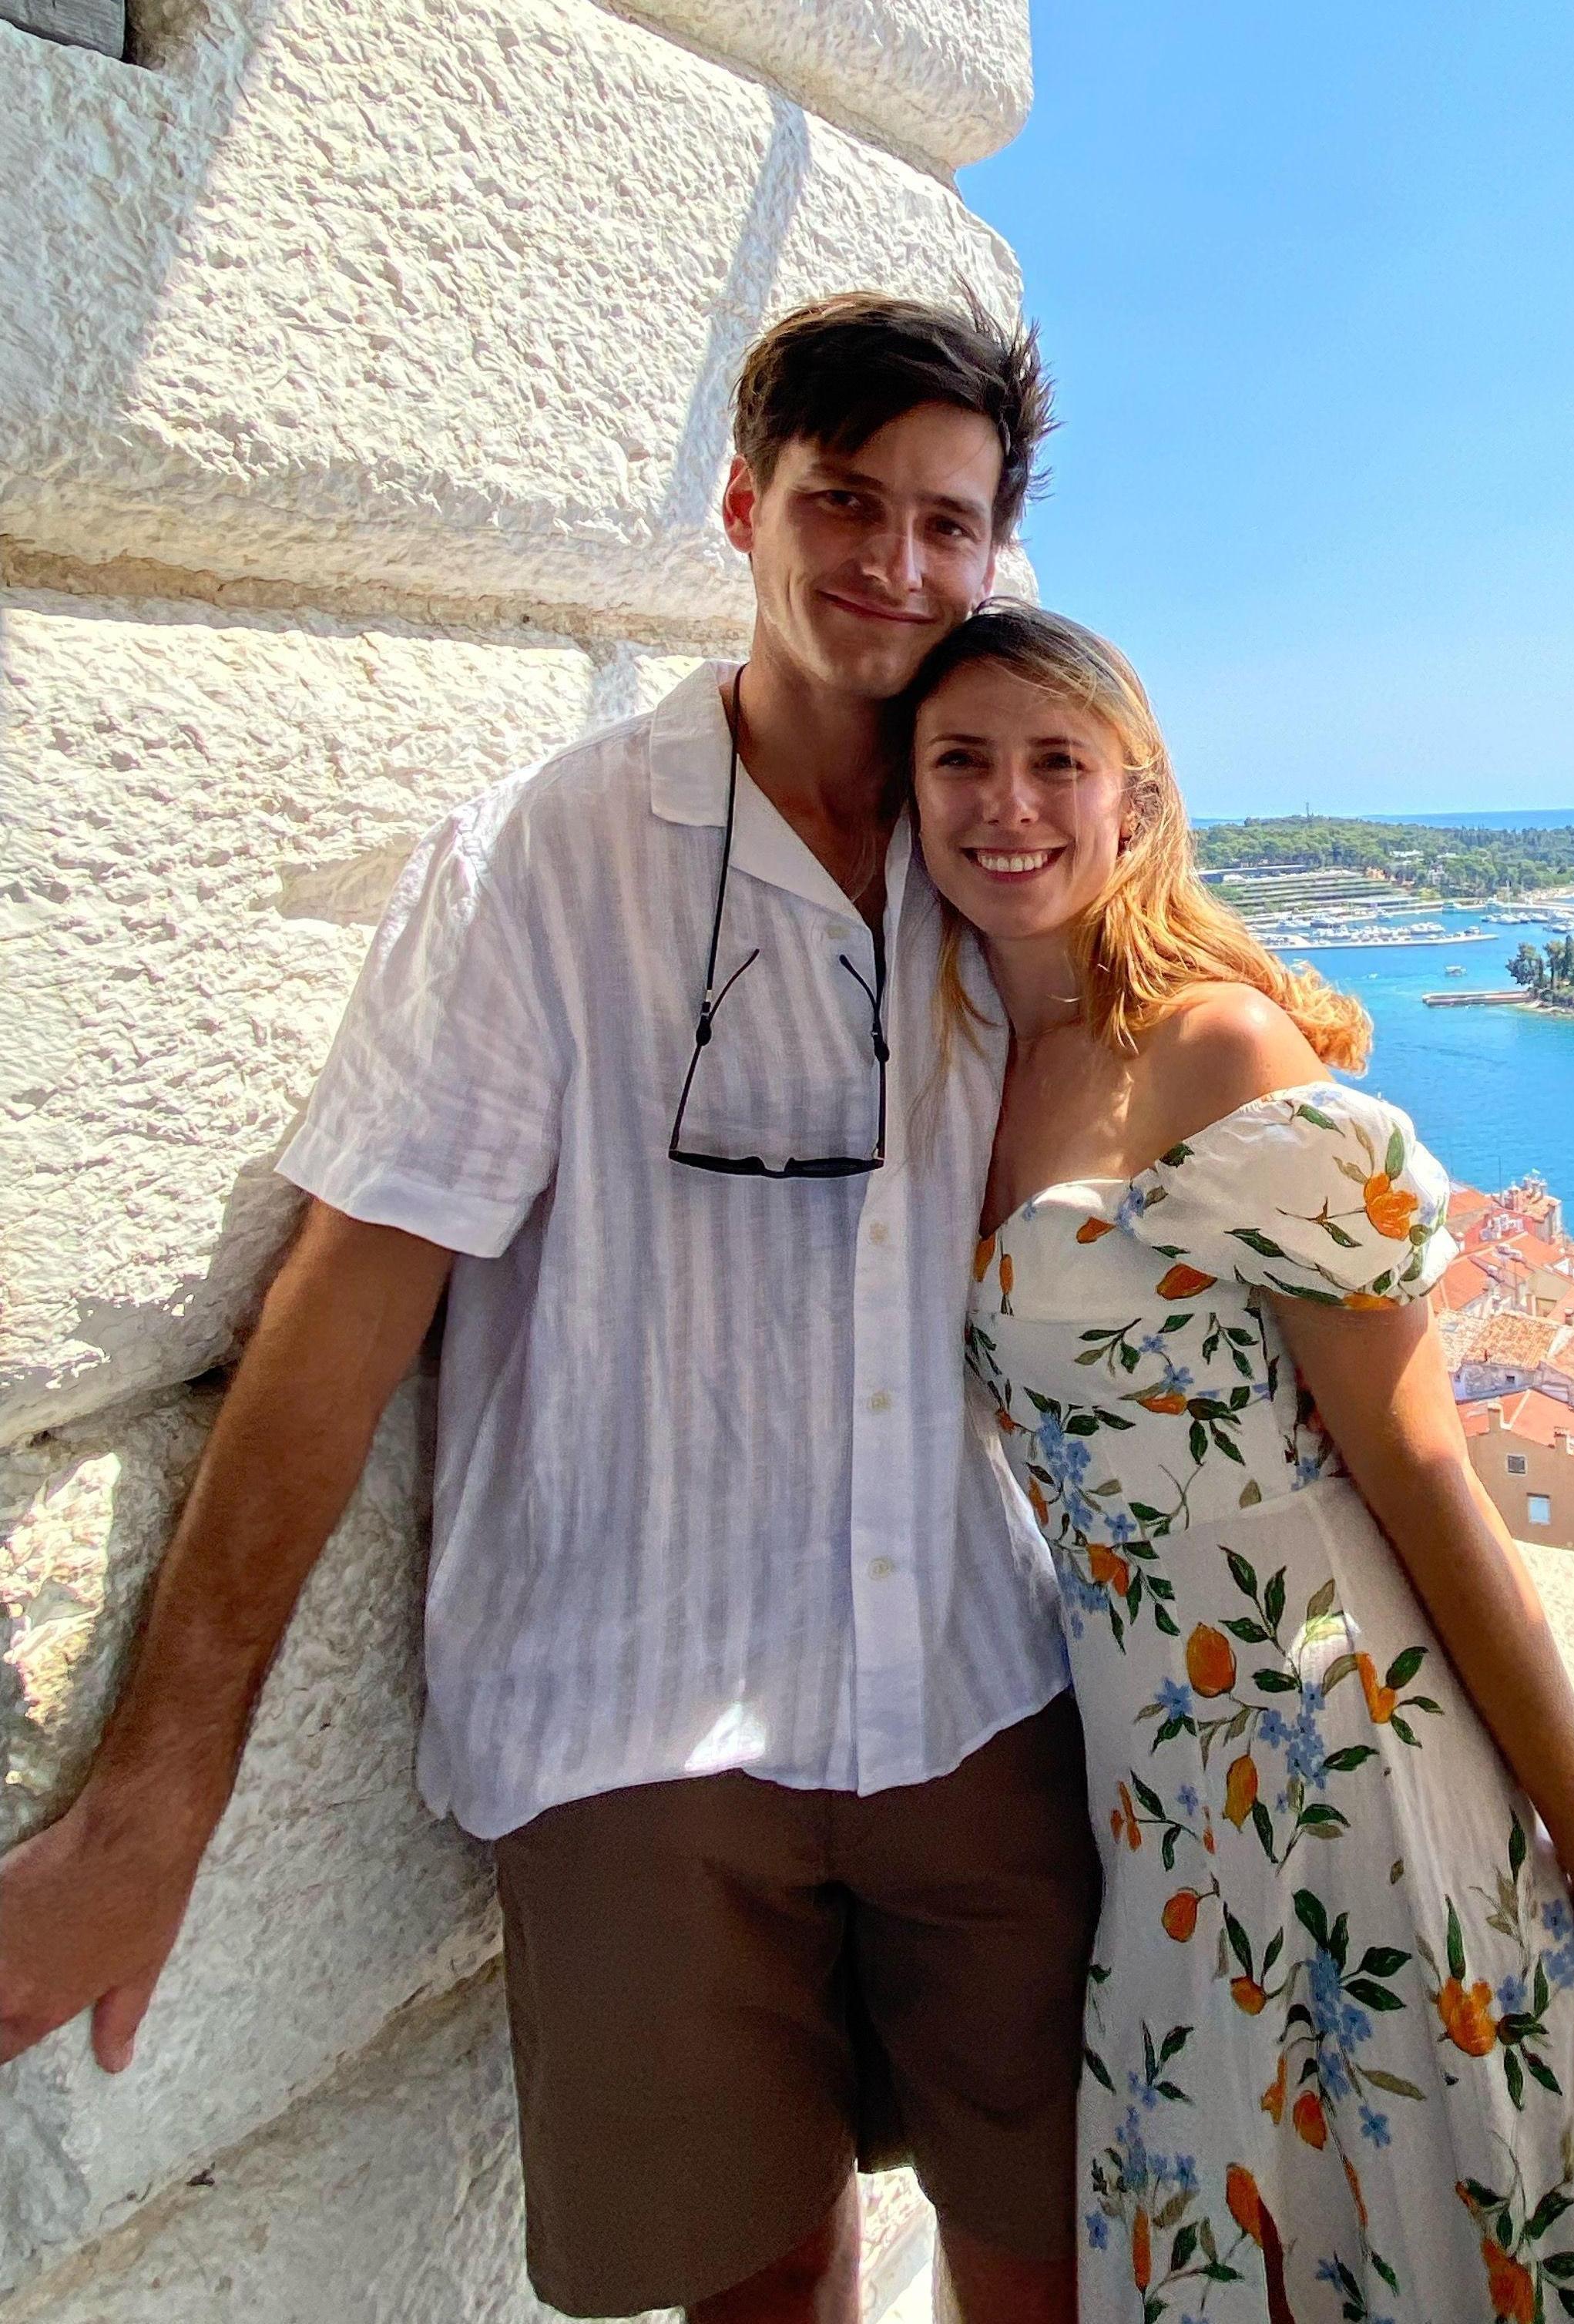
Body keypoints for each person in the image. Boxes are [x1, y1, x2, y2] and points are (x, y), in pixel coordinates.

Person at [0, 298, 1099, 2324]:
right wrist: (157, 1799)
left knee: (1050, 2263)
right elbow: (346, 1310)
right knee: (760, 2287)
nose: (894, 566)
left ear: (997, 554)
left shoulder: (1019, 854)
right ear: (741, 506)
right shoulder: (543, 861)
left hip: (975, 1685)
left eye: (946, 524)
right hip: (643, 1717)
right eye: (842, 503)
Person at [907, 603, 1574, 2323]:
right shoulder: (969, 1065)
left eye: (1054, 761)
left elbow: (1426, 1474)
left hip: (1353, 1765)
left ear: (1133, 802)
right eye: (961, 761)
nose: (1008, 803)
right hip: (1156, 1802)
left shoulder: (1210, 1052)